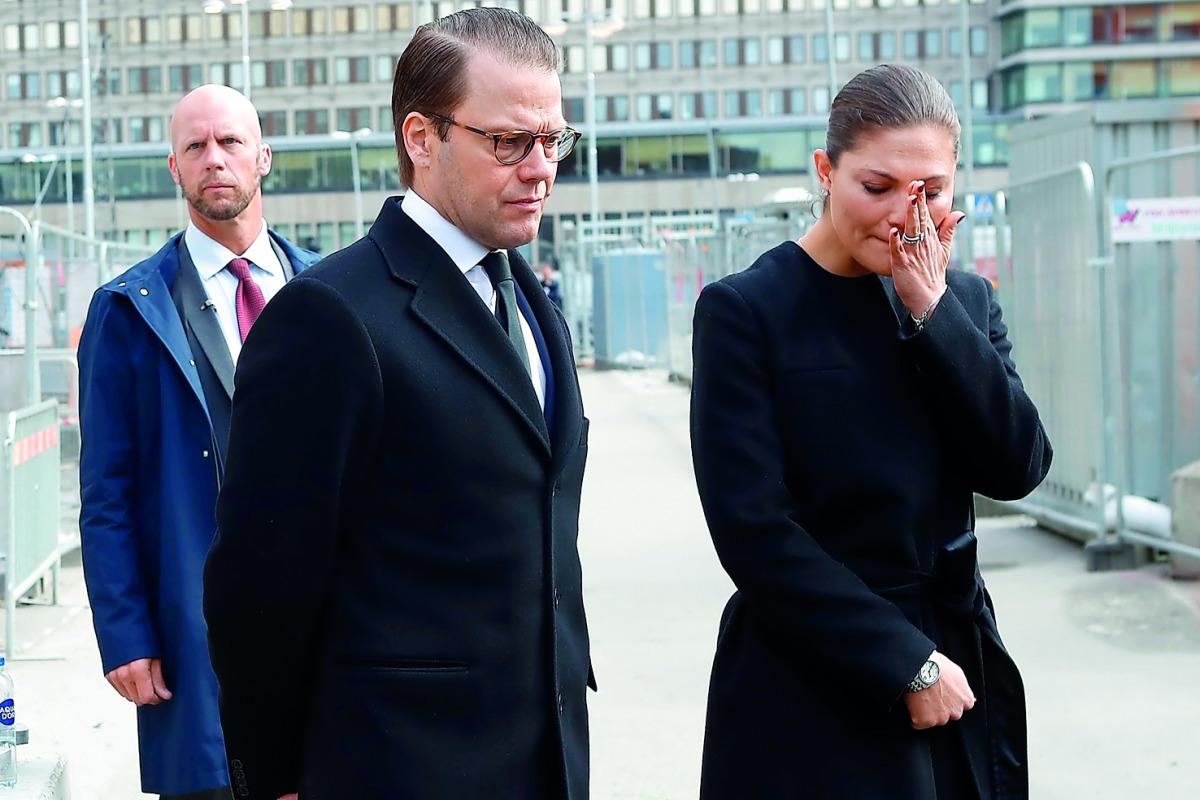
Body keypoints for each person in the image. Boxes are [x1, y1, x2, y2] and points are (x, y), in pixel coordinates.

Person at [202, 9, 592, 800]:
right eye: (509, 141)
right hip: (397, 763)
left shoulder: (529, 302)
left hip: (541, 756)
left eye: (553, 139)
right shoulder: (330, 317)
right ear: (422, 138)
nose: (541, 168)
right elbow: (261, 583)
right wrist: (276, 773)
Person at [689, 64, 1053, 799]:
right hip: (811, 664)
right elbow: (753, 530)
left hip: (953, 656)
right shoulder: (747, 310)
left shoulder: (965, 299)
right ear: (826, 171)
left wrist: (934, 317)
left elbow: (1017, 466)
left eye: (932, 191)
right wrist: (901, 660)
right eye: (878, 187)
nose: (905, 216)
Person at [77, 84, 318, 800]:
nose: (215, 159)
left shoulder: (332, 292)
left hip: (326, 627)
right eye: (196, 147)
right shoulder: (126, 311)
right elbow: (106, 494)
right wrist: (126, 633)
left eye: (231, 142)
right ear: (174, 169)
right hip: (196, 630)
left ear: (263, 157)